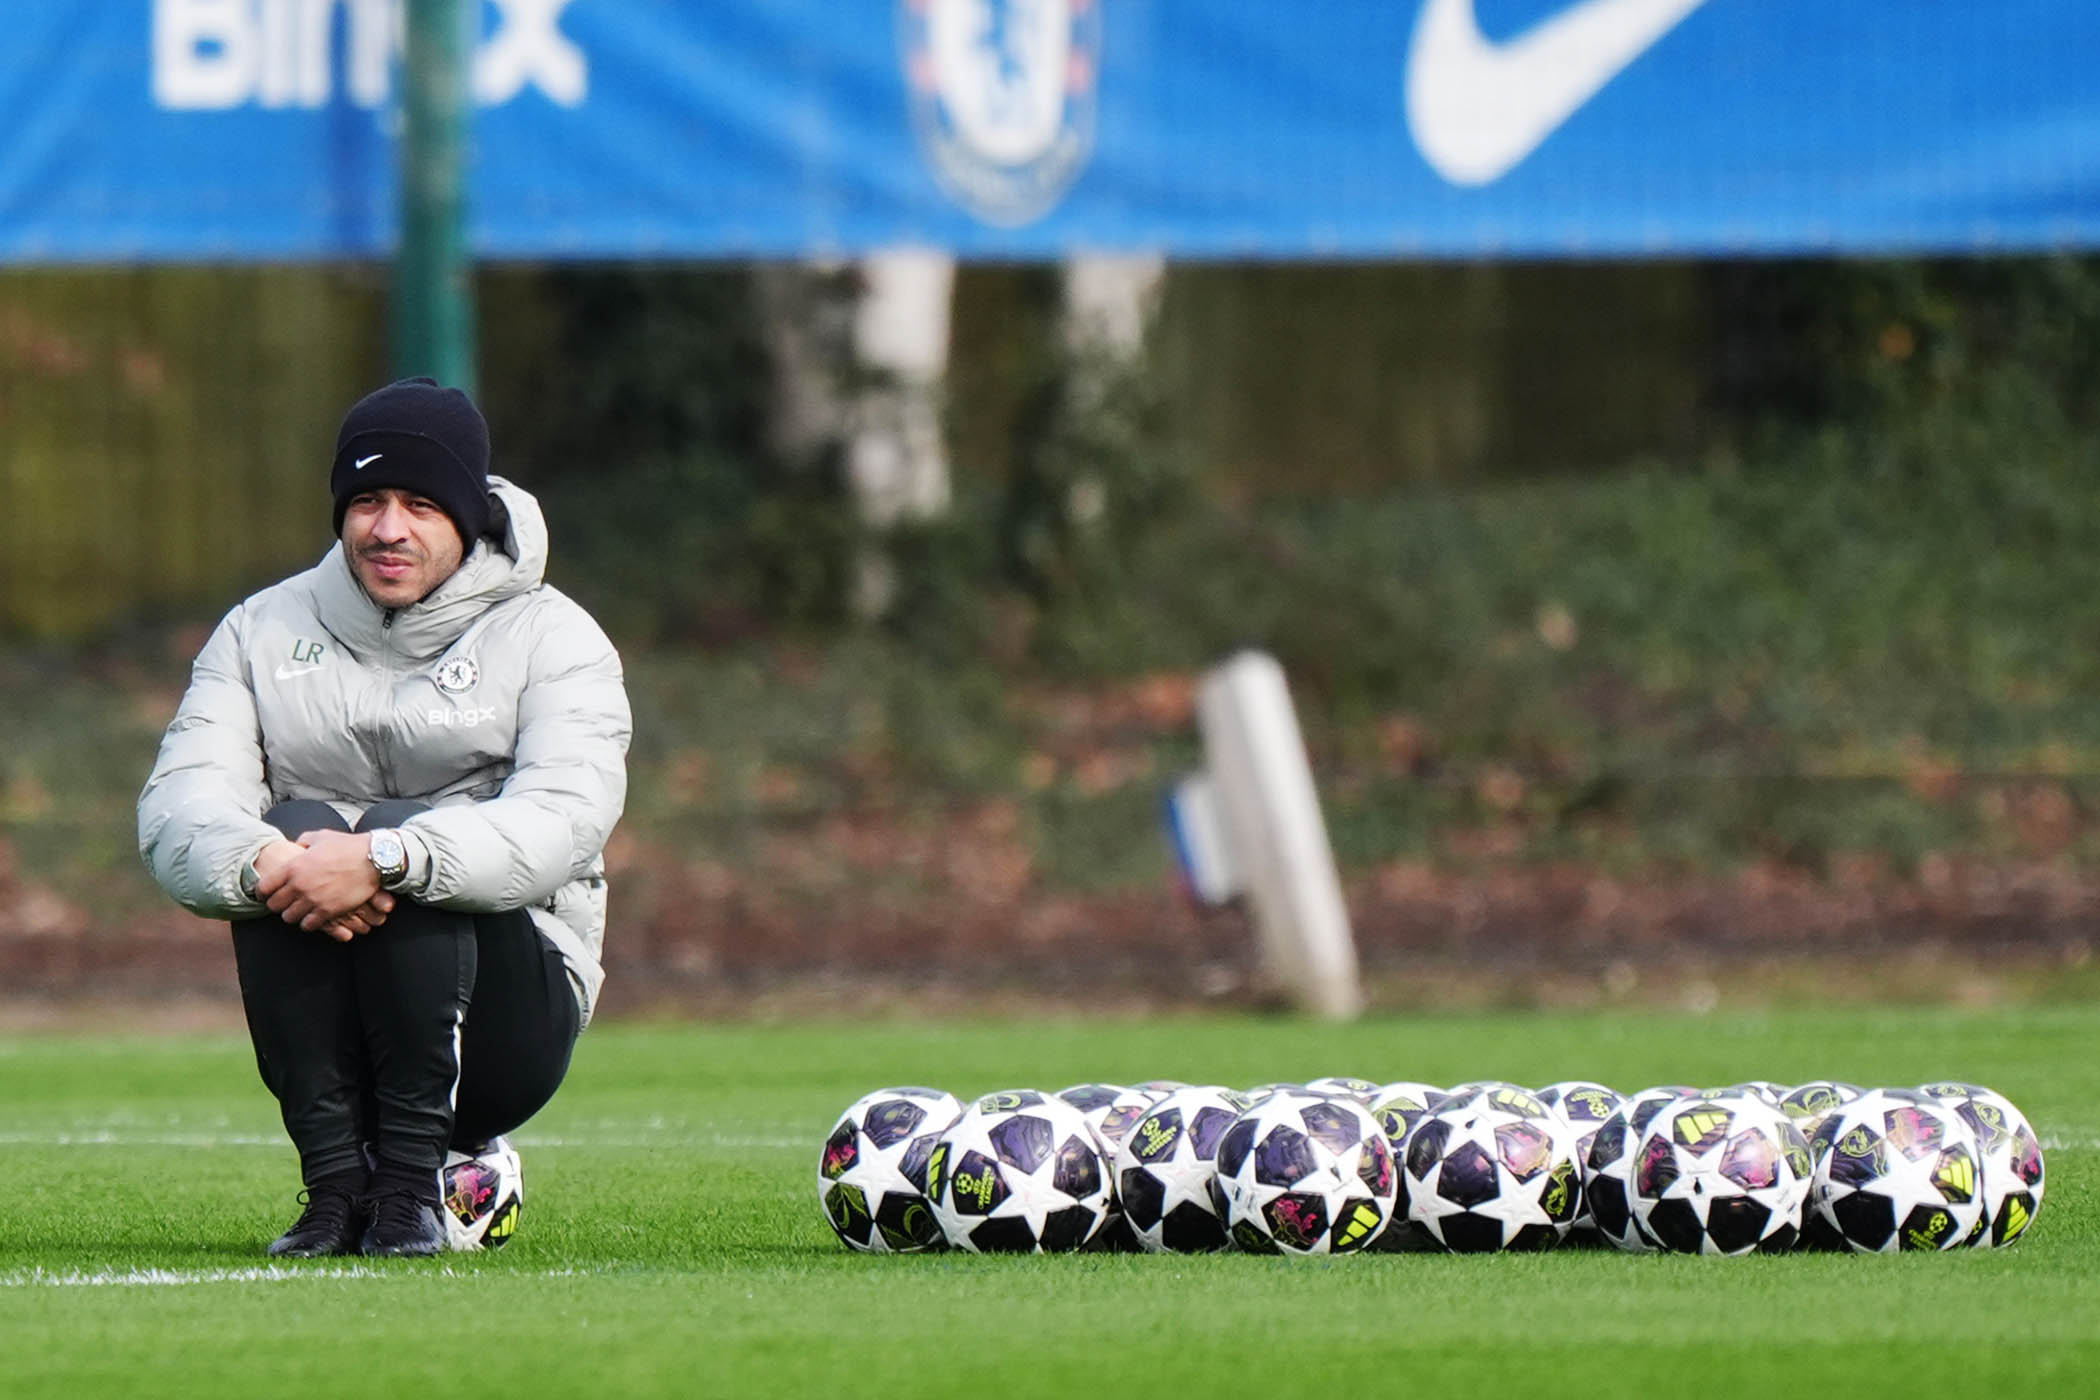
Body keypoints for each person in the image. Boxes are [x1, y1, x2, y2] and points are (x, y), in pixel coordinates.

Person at [137, 377, 631, 1257]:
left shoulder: (556, 638)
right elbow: (181, 804)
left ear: (470, 515)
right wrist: (265, 863)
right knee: (282, 831)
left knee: (404, 826)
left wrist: (389, 858)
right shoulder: (257, 631)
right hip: (335, 1021)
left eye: (419, 503)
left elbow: (564, 817)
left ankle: (408, 1191)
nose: (388, 528)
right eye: (366, 499)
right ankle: (333, 1192)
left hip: (507, 1026)